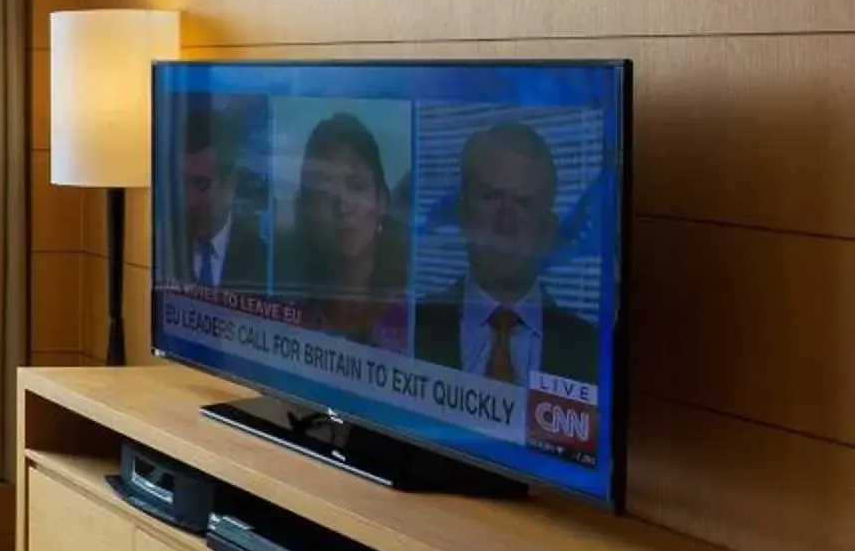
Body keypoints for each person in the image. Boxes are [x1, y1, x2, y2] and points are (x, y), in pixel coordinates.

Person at [414, 120, 600, 387]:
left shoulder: (590, 350)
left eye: (523, 203)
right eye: (490, 197)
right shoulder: (412, 328)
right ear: (463, 215)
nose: (505, 223)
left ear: (547, 230)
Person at [279, 111, 410, 351]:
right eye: (325, 192)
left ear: (382, 201)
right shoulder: (288, 314)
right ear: (306, 208)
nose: (342, 207)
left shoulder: (413, 316)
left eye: (357, 187)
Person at [169, 99, 269, 293]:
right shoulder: (163, 248)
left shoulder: (263, 261)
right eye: (182, 183)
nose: (188, 201)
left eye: (202, 184)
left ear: (231, 182)